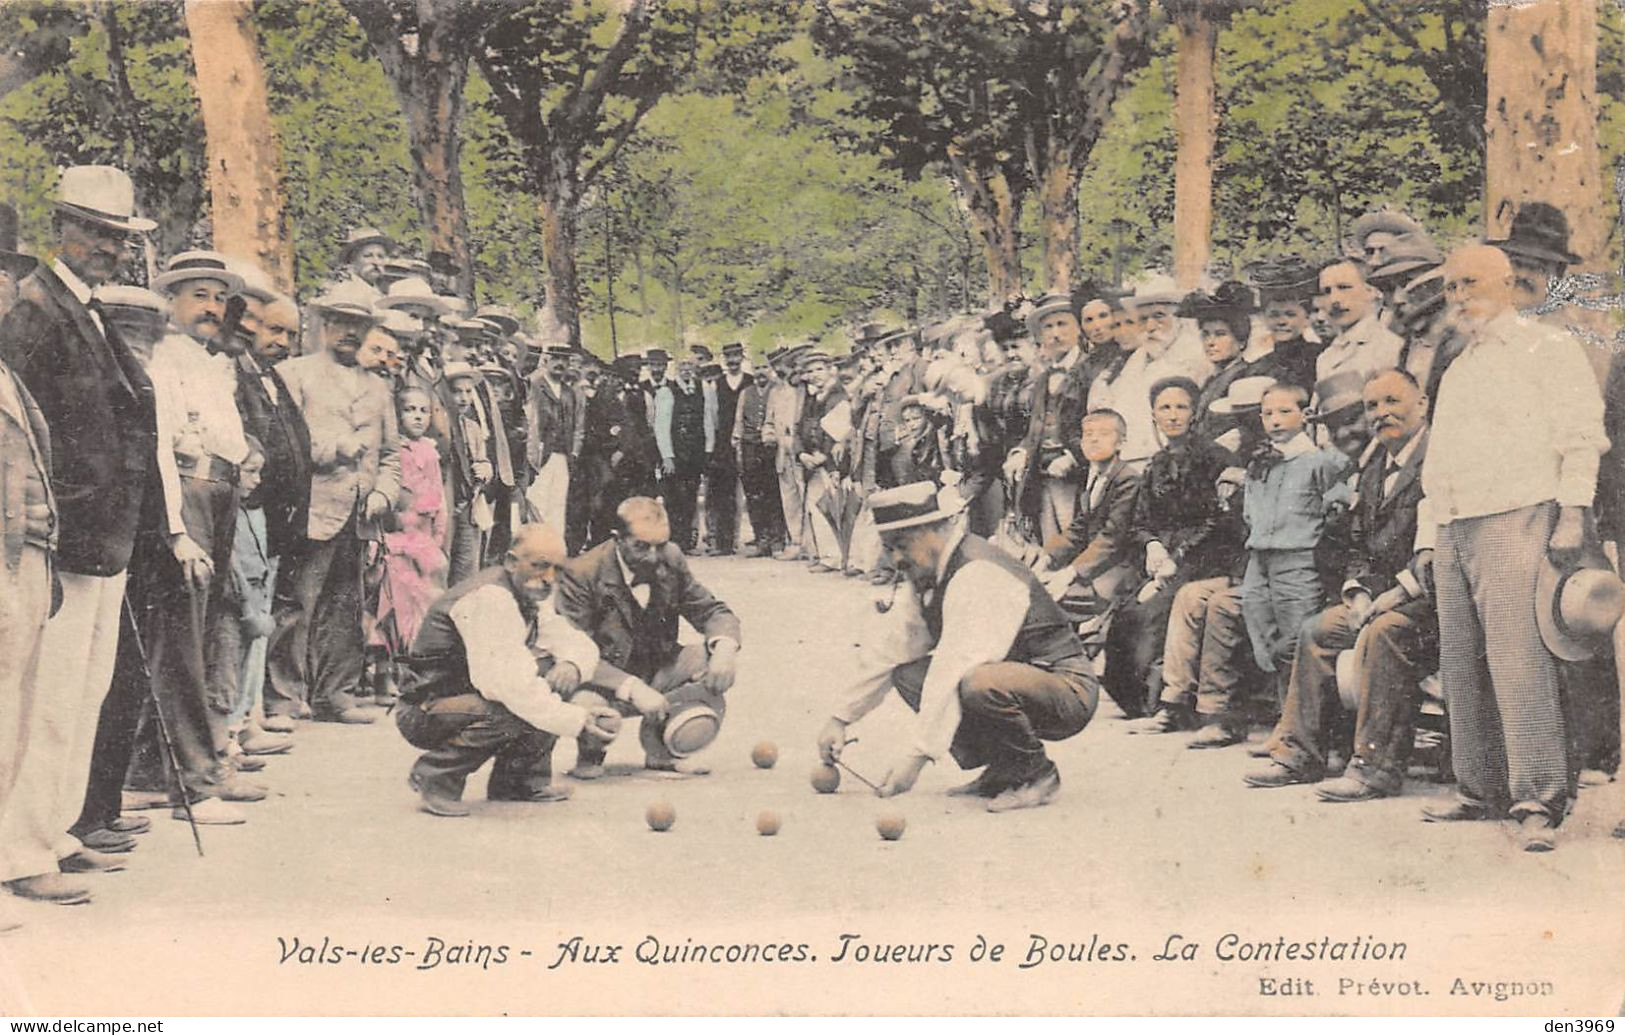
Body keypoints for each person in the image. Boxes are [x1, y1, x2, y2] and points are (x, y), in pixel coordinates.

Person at [0, 166, 167, 900]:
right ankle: (22, 847)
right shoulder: (35, 310)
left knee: (84, 694)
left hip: (109, 541)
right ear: (62, 227)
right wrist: (60, 512)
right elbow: (26, 431)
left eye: (120, 237)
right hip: (65, 539)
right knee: (49, 698)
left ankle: (58, 830)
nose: (110, 247)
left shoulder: (91, 312)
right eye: (97, 231)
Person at [1418, 244, 1606, 851]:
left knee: (1519, 658)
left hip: (1520, 513)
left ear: (1508, 282)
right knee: (1461, 660)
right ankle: (1478, 789)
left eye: (1470, 283)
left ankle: (1539, 797)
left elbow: (1581, 435)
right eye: (1450, 287)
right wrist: (1430, 534)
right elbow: (1438, 459)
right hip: (1454, 523)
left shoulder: (1546, 347)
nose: (1459, 296)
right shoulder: (1458, 363)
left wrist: (1571, 513)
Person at [817, 481, 1098, 812]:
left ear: (937, 529)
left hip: (1066, 687)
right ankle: (1005, 768)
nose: (895, 559)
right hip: (1014, 678)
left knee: (976, 683)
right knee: (908, 674)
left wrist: (917, 756)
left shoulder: (977, 572)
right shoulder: (929, 572)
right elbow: (893, 650)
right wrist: (840, 718)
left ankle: (1037, 774)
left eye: (902, 545)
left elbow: (954, 667)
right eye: (888, 548)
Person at [1245, 368, 1436, 800]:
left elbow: (1442, 544)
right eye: (1372, 406)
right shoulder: (1375, 467)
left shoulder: (1439, 458)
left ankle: (1375, 768)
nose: (1381, 414)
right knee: (1317, 629)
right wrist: (1358, 592)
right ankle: (1300, 753)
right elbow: (1358, 543)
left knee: (1383, 633)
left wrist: (1395, 593)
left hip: (1431, 600)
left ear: (1422, 404)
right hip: (1380, 597)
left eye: (1392, 402)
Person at [126, 252, 258, 821]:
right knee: (181, 638)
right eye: (198, 295)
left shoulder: (209, 362)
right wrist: (176, 528)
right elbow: (161, 448)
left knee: (202, 634)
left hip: (221, 495)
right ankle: (194, 784)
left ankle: (153, 772)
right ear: (172, 301)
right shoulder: (163, 360)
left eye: (217, 297)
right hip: (188, 497)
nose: (210, 307)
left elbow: (229, 441)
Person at [395, 524, 617, 817]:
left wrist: (571, 665)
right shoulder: (490, 598)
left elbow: (576, 642)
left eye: (558, 570)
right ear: (512, 561)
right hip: (424, 709)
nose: (549, 578)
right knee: (514, 707)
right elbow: (505, 685)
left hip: (465, 699)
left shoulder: (527, 594)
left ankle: (518, 782)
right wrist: (578, 721)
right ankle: (435, 777)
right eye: (539, 566)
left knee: (553, 675)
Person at [267, 297, 401, 725]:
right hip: (312, 507)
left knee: (347, 606)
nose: (350, 332)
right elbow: (283, 443)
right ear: (323, 325)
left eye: (358, 325)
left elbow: (392, 454)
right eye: (341, 322)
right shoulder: (296, 374)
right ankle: (284, 698)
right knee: (297, 605)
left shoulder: (378, 387)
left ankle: (336, 694)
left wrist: (384, 491)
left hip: (361, 514)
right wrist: (330, 452)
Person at [556, 497, 742, 779]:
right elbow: (572, 649)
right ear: (617, 539)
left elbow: (711, 610)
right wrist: (631, 687)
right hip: (603, 683)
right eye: (642, 547)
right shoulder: (581, 572)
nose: (654, 557)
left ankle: (664, 749)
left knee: (703, 658)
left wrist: (726, 649)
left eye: (661, 545)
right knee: (583, 701)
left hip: (656, 670)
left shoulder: (672, 557)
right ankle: (591, 753)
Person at [1104, 377, 1244, 721]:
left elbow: (1219, 522)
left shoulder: (1215, 458)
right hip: (1161, 557)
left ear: (1194, 412)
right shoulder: (1156, 464)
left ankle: (1166, 702)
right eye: (1165, 408)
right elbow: (1139, 522)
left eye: (1181, 407)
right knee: (1127, 609)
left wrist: (1177, 558)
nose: (1173, 415)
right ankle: (1138, 703)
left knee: (1153, 610)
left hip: (1206, 558)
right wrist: (1152, 546)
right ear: (1153, 415)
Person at [0, 245, 70, 906]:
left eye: (7, 277)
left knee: (12, 718)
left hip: (23, 560)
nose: (4, 289)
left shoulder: (8, 373)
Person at [1237, 382, 1353, 711]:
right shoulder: (1259, 463)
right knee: (1262, 626)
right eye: (1268, 414)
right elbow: (1249, 510)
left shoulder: (1318, 462)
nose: (1275, 420)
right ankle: (1284, 720)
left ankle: (1304, 727)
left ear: (1305, 416)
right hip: (1259, 557)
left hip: (1297, 558)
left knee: (1295, 636)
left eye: (1285, 412)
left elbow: (1337, 505)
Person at [372, 388, 449, 704]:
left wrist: (438, 538)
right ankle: (383, 675)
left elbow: (439, 497)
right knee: (392, 609)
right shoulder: (394, 451)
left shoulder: (430, 453)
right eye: (410, 410)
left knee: (424, 607)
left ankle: (416, 675)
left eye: (423, 411)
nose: (417, 416)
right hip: (397, 540)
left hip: (423, 541)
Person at [1004, 293, 1091, 543]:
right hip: (1041, 476)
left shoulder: (1090, 370)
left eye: (1062, 324)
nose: (1055, 334)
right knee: (1050, 544)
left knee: (1075, 542)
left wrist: (1073, 458)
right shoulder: (1042, 379)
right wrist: (1021, 452)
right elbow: (1036, 427)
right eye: (1048, 327)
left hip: (1075, 477)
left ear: (1077, 329)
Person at [1034, 409, 1141, 605]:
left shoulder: (1128, 479)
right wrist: (1046, 557)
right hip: (1093, 566)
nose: (1094, 440)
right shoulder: (1092, 477)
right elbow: (1079, 527)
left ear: (1121, 442)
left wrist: (1070, 573)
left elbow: (1112, 539)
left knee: (1049, 600)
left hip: (1118, 571)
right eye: (1088, 434)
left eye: (1104, 434)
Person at [654, 356, 713, 553]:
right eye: (682, 366)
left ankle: (686, 542)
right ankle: (674, 542)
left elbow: (708, 422)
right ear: (676, 369)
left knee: (690, 496)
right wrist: (667, 456)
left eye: (690, 366)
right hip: (676, 454)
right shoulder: (666, 391)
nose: (686, 370)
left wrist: (707, 450)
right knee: (673, 498)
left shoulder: (703, 389)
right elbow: (661, 427)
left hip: (695, 453)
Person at [1315, 259, 1403, 386]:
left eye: (1344, 287)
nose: (1334, 299)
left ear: (1371, 291)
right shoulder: (1326, 357)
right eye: (1326, 291)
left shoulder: (1390, 347)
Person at [733, 357, 788, 556]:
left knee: (773, 493)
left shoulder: (778, 390)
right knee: (754, 495)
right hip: (750, 447)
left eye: (764, 367)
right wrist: (737, 442)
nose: (761, 371)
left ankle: (776, 540)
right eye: (757, 367)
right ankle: (761, 539)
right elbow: (738, 421)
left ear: (771, 369)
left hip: (771, 449)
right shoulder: (745, 393)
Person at [524, 343, 578, 536]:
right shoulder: (534, 384)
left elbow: (574, 425)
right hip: (541, 454)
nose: (560, 364)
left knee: (557, 505)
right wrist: (533, 456)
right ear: (546, 360)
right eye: (555, 358)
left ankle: (554, 552)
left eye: (564, 360)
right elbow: (530, 422)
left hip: (562, 455)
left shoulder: (568, 392)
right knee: (538, 503)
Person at [706, 342, 749, 555]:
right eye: (728, 356)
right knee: (723, 493)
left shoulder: (749, 381)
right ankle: (723, 542)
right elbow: (712, 417)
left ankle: (739, 539)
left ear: (742, 357)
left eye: (736, 356)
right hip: (723, 445)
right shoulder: (717, 384)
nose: (732, 360)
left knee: (749, 490)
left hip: (747, 443)